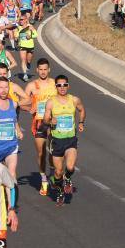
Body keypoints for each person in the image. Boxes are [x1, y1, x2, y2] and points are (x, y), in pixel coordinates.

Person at [43, 75, 86, 205]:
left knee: (70, 166)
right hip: (57, 141)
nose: (62, 87)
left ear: (68, 86)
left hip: (70, 139)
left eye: (64, 85)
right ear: (56, 87)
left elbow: (82, 110)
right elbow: (45, 119)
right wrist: (51, 121)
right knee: (58, 172)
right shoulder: (51, 102)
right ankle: (60, 190)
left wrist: (81, 122)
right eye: (59, 85)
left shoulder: (74, 100)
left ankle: (67, 178)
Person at [24, 58, 57, 196]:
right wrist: (29, 108)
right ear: (37, 70)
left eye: (45, 69)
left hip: (54, 122)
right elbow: (21, 101)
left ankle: (53, 172)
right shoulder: (32, 86)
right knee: (41, 152)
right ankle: (44, 179)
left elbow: (63, 99)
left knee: (53, 152)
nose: (43, 72)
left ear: (49, 70)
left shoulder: (55, 84)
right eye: (40, 69)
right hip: (38, 123)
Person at [17, 15, 38, 81]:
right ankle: (25, 74)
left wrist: (30, 36)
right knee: (23, 60)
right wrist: (16, 36)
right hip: (22, 46)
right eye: (20, 19)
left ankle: (28, 65)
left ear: (26, 20)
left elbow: (36, 35)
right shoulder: (18, 27)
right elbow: (17, 35)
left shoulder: (30, 26)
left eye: (22, 19)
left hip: (30, 46)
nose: (21, 21)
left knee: (28, 60)